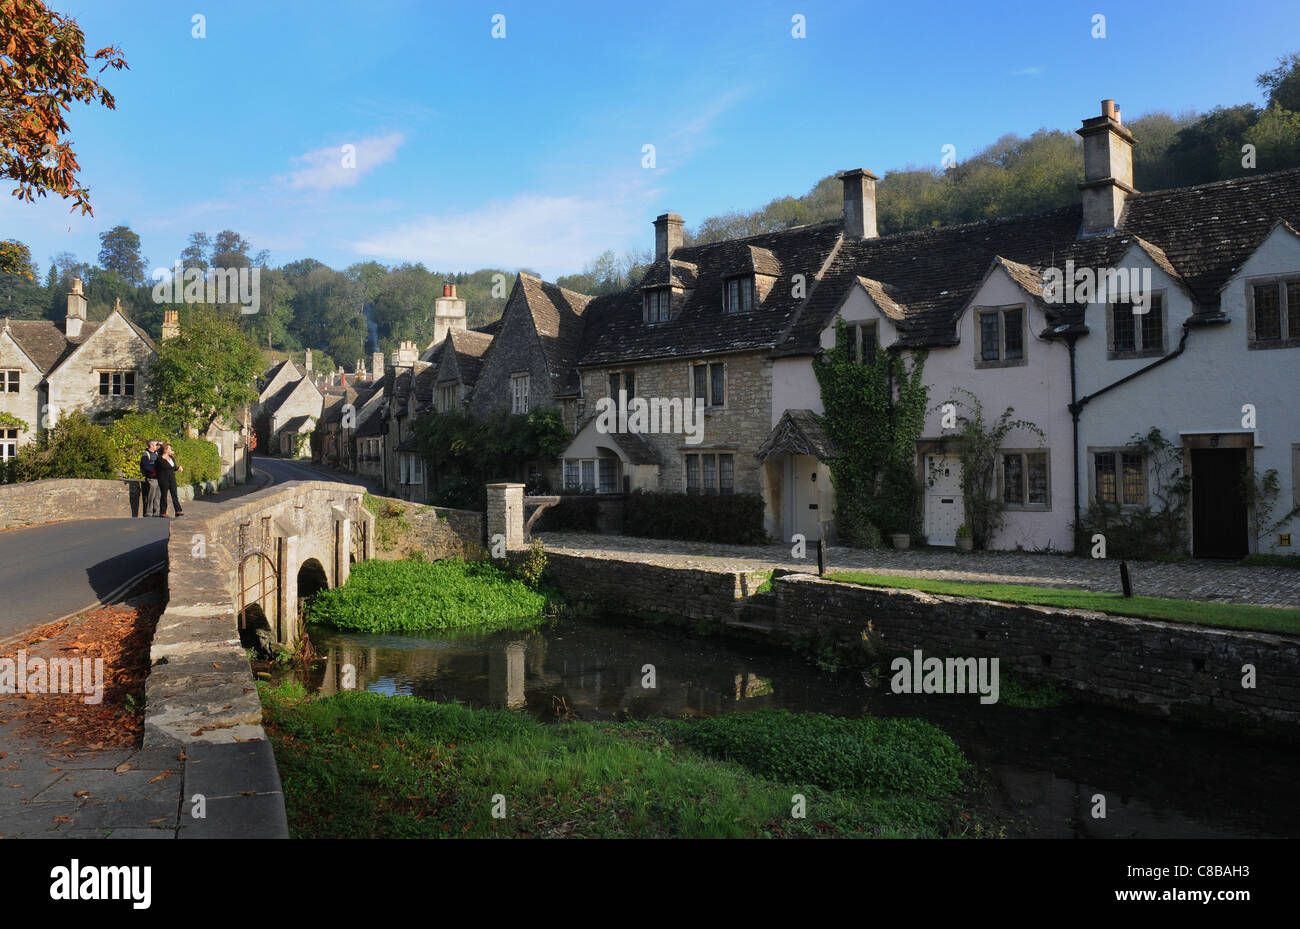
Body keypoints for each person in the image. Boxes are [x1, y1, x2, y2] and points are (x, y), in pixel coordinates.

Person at [156, 442, 184, 517]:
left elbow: (173, 467)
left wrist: (178, 467)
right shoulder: (159, 459)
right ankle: (163, 512)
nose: (171, 450)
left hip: (172, 478)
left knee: (174, 494)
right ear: (165, 450)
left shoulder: (171, 458)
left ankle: (178, 510)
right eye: (169, 449)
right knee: (164, 495)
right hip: (163, 479)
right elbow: (166, 466)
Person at [139, 439, 161, 517]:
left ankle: (157, 511)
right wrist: (153, 470)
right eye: (156, 445)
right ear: (151, 445)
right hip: (151, 477)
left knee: (158, 495)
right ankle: (149, 511)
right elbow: (145, 466)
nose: (158, 446)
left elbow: (166, 449)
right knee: (151, 495)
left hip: (158, 477)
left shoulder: (157, 454)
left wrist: (161, 444)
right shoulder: (146, 454)